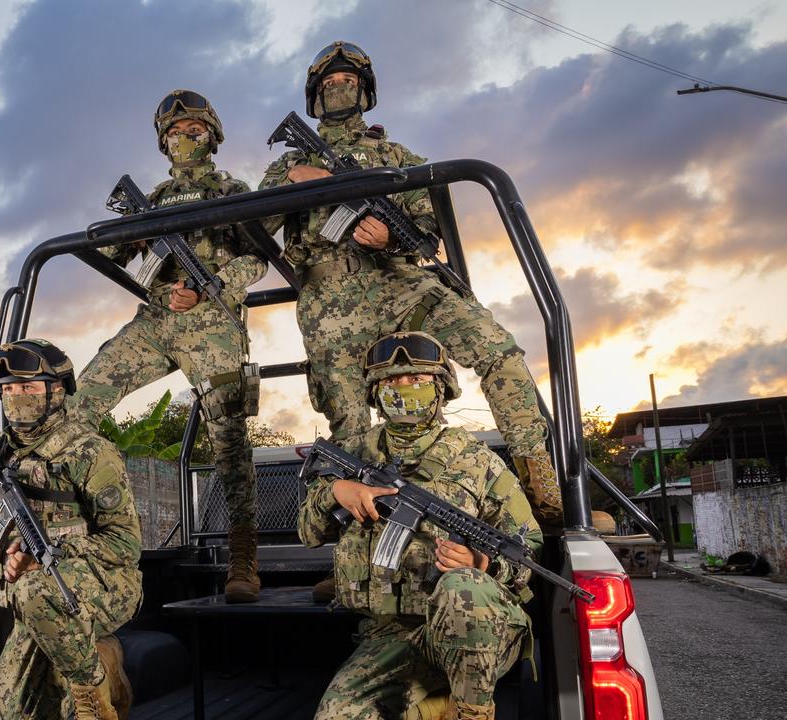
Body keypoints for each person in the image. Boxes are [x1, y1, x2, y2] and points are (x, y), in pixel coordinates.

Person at [259, 41, 562, 531]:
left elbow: (430, 226)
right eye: (331, 83)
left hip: (402, 281)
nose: (340, 89)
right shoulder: (288, 161)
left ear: (366, 91)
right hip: (331, 298)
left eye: (349, 82)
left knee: (499, 351)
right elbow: (259, 217)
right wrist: (304, 179)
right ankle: (356, 548)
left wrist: (386, 239)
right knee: (352, 424)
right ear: (316, 96)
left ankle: (543, 495)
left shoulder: (395, 155)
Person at [69, 89, 267, 602]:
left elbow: (259, 257)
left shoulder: (232, 189)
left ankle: (243, 553)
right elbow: (112, 253)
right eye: (175, 133)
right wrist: (125, 232)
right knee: (82, 400)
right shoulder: (153, 199)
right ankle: (75, 524)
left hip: (212, 321)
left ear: (212, 134)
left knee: (228, 431)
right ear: (163, 142)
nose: (184, 138)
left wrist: (210, 286)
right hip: (156, 318)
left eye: (193, 130)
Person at [298, 331, 542, 720]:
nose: (404, 388)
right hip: (390, 634)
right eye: (392, 380)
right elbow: (309, 533)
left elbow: (528, 548)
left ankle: (471, 712)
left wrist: (484, 564)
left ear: (441, 389)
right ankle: (430, 707)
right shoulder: (354, 453)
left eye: (417, 380)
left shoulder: (478, 464)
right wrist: (337, 492)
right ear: (375, 392)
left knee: (465, 587)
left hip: (479, 635)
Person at [0, 339, 141, 720]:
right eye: (9, 389)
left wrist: (49, 557)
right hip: (30, 603)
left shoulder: (89, 452)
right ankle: (95, 658)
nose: (17, 396)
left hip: (104, 585)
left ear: (57, 391)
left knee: (37, 587)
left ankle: (94, 691)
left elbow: (126, 544)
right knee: (14, 707)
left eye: (28, 387)